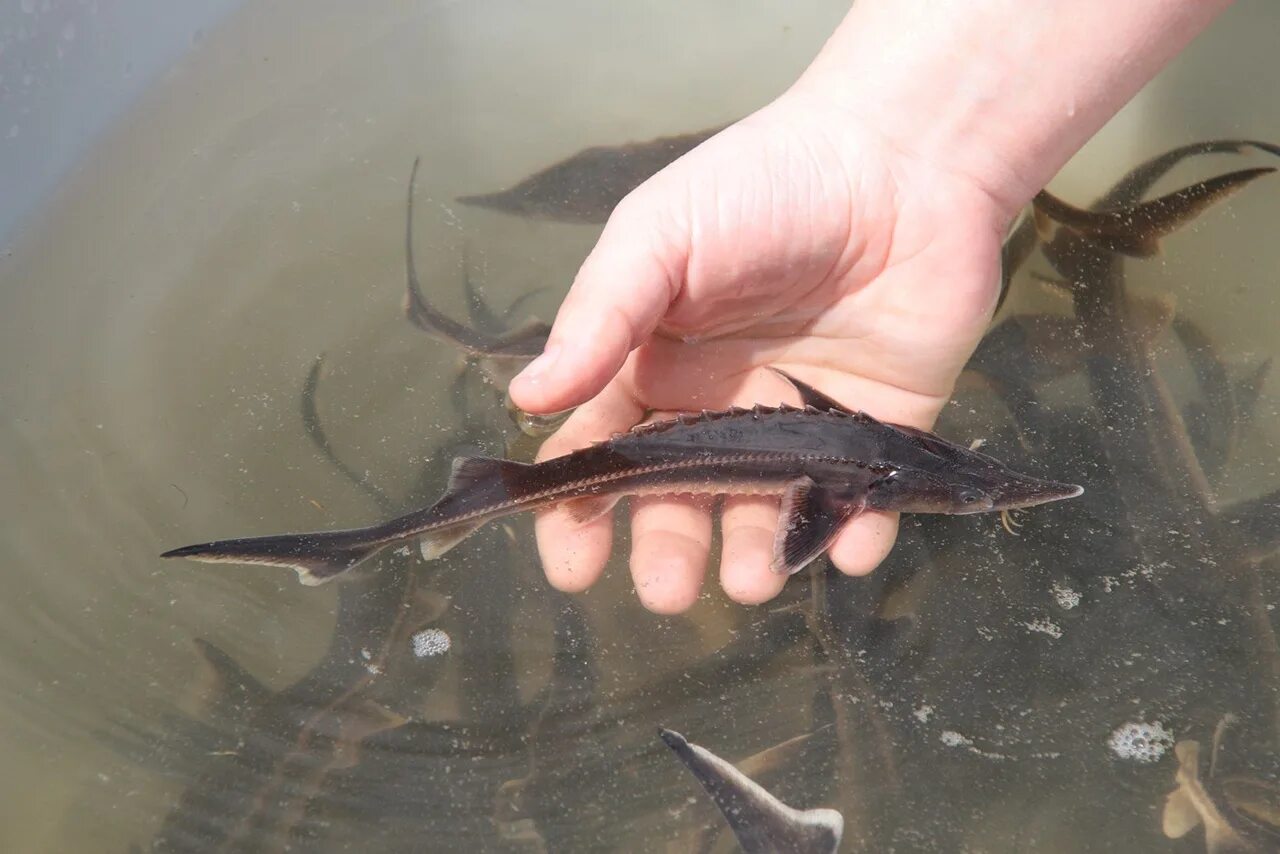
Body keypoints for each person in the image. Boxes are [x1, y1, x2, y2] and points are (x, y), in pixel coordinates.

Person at [507, 0, 1234, 614]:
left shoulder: (865, 448)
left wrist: (914, 155)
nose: (990, 497)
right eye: (973, 497)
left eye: (975, 494)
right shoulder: (849, 481)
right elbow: (811, 503)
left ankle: (498, 492)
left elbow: (823, 427)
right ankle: (500, 492)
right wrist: (896, 151)